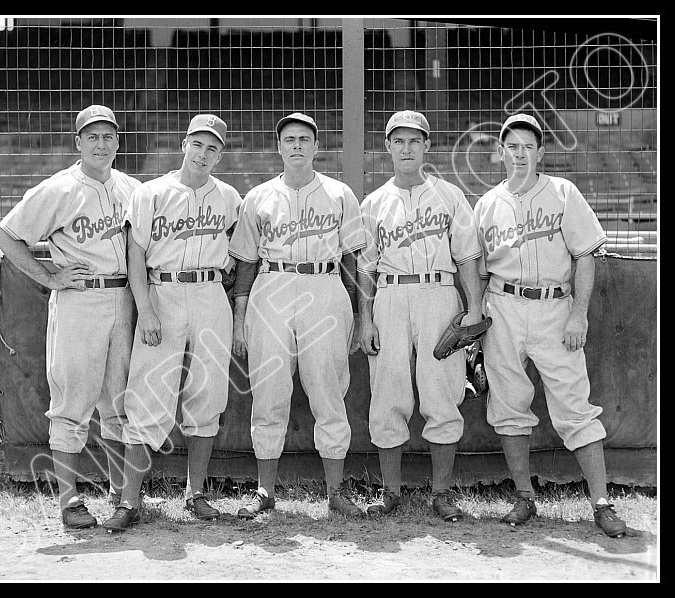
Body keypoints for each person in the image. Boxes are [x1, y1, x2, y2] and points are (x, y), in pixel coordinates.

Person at [473, 113, 627, 537]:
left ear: (540, 152)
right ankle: (525, 497)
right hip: (502, 306)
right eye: (512, 146)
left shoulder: (562, 192)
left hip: (555, 307)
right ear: (500, 152)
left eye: (528, 146)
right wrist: (475, 318)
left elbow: (586, 254)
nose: (520, 153)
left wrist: (579, 312)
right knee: (507, 405)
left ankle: (601, 502)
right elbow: (480, 270)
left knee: (575, 406)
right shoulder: (487, 204)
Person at [0, 105, 142, 528]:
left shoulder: (132, 188)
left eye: (108, 136)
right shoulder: (59, 189)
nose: (101, 144)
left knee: (121, 404)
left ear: (118, 142)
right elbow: (5, 235)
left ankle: (120, 496)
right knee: (72, 403)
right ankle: (69, 501)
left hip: (124, 299)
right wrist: (50, 275)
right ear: (78, 143)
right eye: (91, 137)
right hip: (80, 300)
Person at [102, 114, 242, 531]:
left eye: (212, 147)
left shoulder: (231, 198)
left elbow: (239, 255)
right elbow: (135, 257)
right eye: (197, 144)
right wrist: (146, 310)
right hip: (161, 292)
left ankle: (195, 493)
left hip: (210, 292)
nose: (203, 153)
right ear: (184, 145)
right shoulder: (151, 193)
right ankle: (129, 501)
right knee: (147, 392)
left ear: (220, 155)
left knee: (209, 391)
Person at [229, 112, 367, 518]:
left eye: (305, 139)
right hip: (271, 287)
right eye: (289, 139)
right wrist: (239, 319)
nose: (296, 145)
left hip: (325, 286)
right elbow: (246, 265)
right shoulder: (258, 197)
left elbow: (352, 262)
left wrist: (359, 314)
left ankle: (336, 492)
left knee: (327, 388)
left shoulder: (340, 194)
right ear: (278, 147)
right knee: (269, 390)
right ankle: (264, 490)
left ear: (317, 147)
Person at [357, 110, 485, 521]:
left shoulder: (449, 195)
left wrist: (475, 309)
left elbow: (467, 256)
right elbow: (365, 269)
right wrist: (366, 319)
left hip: (439, 293)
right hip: (390, 296)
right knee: (388, 390)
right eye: (399, 141)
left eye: (415, 140)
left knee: (442, 390)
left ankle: (442, 494)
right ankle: (390, 491)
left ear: (427, 146)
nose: (407, 148)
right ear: (388, 147)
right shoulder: (374, 202)